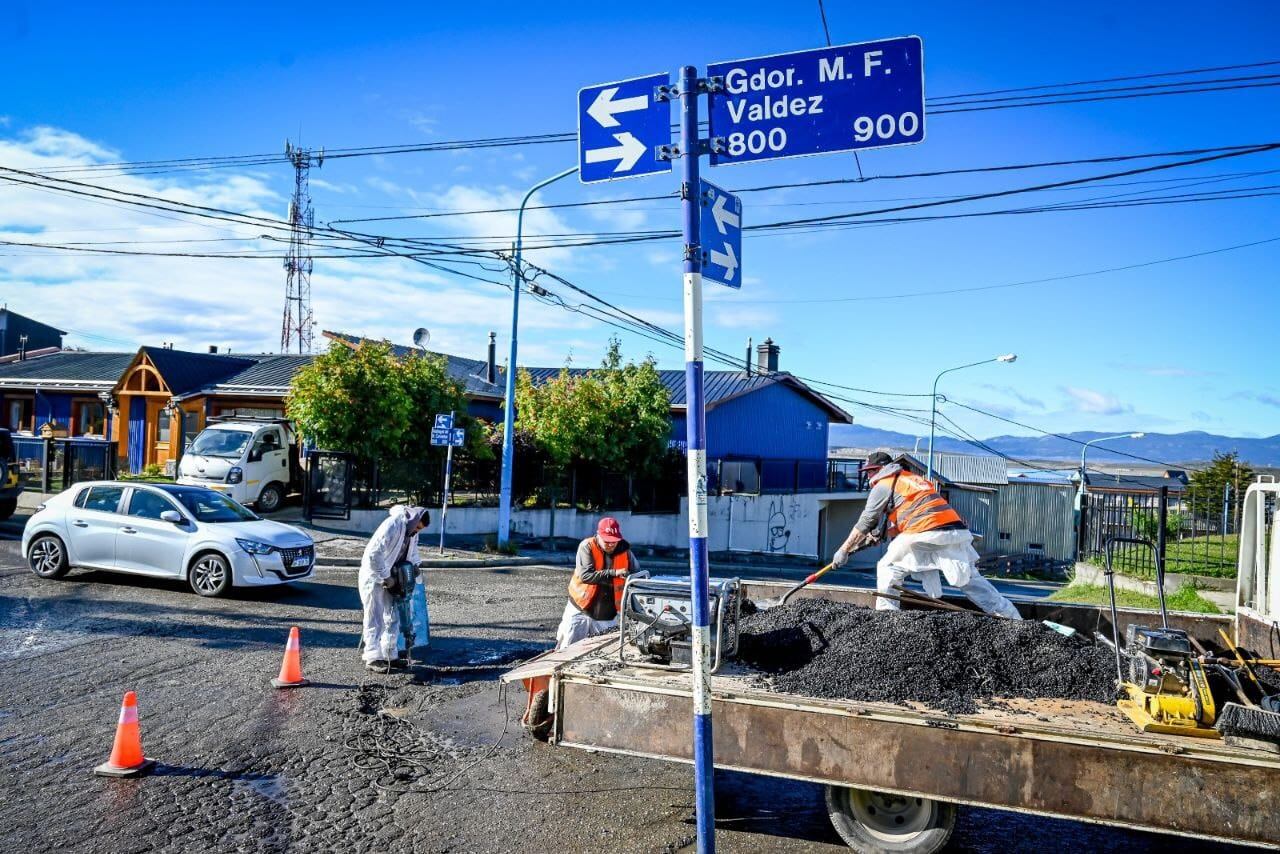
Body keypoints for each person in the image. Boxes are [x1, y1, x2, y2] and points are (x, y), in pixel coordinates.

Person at [832, 451, 1021, 619]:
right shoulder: (913, 480)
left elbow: (866, 521)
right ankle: (1011, 618)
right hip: (953, 532)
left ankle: (886, 619)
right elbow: (917, 514)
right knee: (970, 579)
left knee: (888, 567)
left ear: (882, 469)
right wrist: (882, 535)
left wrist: (843, 550)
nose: (868, 475)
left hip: (925, 533)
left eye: (870, 471)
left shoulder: (883, 484)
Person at [359, 505, 429, 672]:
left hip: (394, 576)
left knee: (393, 615)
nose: (416, 532)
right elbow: (374, 554)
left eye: (420, 530)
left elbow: (412, 552)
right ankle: (373, 657)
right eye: (417, 528)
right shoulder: (393, 525)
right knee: (375, 617)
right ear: (413, 520)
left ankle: (390, 654)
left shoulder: (412, 533)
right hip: (374, 577)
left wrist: (416, 566)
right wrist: (385, 577)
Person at [555, 517, 640, 650]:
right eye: (607, 541)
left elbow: (636, 577)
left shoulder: (626, 552)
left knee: (603, 651)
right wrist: (614, 573)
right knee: (567, 648)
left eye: (614, 541)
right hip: (580, 609)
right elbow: (586, 576)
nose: (611, 544)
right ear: (598, 535)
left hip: (607, 614)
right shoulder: (587, 546)